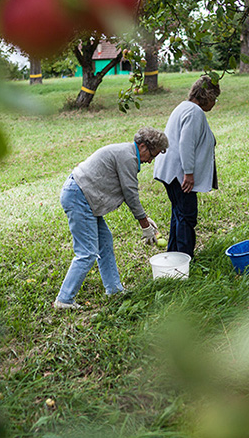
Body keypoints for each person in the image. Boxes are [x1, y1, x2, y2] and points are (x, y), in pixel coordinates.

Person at [53, 127, 169, 309]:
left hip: (85, 197)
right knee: (87, 252)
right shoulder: (128, 157)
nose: (150, 161)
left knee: (104, 242)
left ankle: (114, 289)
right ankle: (64, 300)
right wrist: (144, 224)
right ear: (143, 147)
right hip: (79, 196)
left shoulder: (127, 153)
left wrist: (145, 218)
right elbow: (130, 194)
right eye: (152, 155)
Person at [153, 75, 221, 257]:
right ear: (206, 96)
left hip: (171, 171)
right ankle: (185, 258)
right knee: (187, 216)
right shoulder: (194, 112)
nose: (214, 103)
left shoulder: (184, 107)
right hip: (179, 174)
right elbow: (186, 143)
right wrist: (189, 173)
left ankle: (174, 255)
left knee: (179, 214)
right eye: (214, 98)